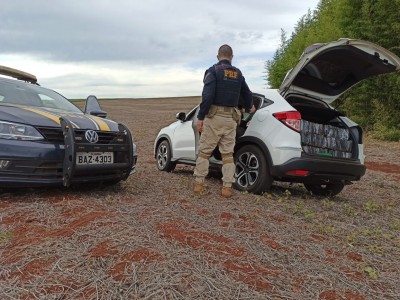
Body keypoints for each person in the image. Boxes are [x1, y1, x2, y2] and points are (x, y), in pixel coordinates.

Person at [193, 44, 254, 198]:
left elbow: (207, 96)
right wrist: (249, 107)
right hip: (231, 120)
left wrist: (200, 117)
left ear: (218, 56)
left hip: (214, 118)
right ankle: (227, 187)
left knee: (205, 152)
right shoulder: (238, 74)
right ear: (232, 57)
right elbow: (247, 93)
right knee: (228, 154)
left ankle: (199, 184)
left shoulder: (213, 71)